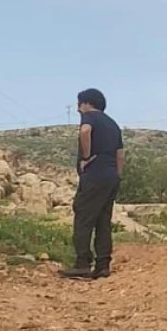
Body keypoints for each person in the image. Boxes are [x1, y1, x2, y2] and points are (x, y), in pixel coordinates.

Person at [60, 88, 125, 280]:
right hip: (111, 176)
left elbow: (85, 131)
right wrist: (117, 175)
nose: (78, 109)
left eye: (79, 104)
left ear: (87, 103)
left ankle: (82, 264)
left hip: (95, 174)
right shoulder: (113, 124)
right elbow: (120, 154)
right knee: (103, 220)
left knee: (83, 215)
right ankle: (103, 265)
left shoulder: (90, 117)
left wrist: (87, 157)